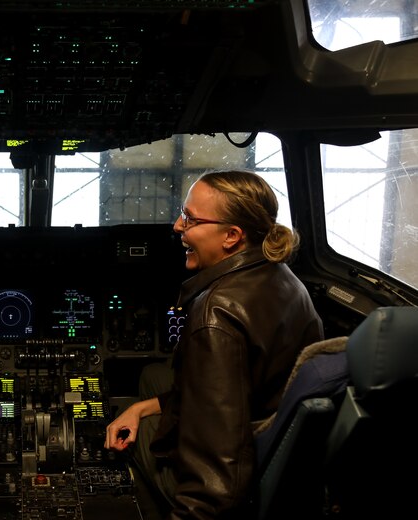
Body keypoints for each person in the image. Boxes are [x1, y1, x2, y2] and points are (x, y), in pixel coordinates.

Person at [104, 170, 324, 519]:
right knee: (152, 376)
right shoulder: (283, 276)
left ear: (231, 236)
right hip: (268, 428)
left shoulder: (216, 315)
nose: (178, 225)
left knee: (134, 428)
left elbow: (217, 481)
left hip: (242, 473)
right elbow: (232, 388)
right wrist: (143, 407)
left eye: (190, 219)